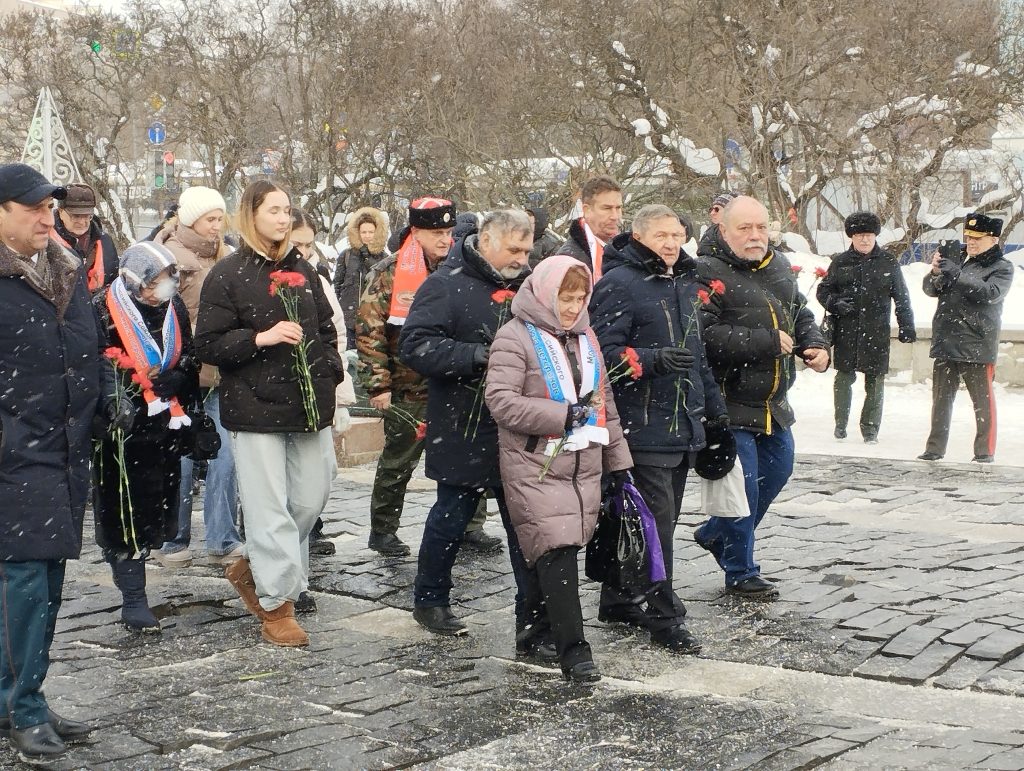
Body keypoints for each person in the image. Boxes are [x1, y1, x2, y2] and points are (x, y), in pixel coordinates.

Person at [195, 180, 344, 647]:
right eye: (274, 210)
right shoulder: (228, 273)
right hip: (254, 406)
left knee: (311, 497)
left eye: (287, 210)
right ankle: (277, 603)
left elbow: (325, 329)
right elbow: (208, 344)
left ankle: (253, 564)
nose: (283, 218)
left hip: (308, 403)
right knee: (267, 506)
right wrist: (260, 338)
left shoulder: (304, 269)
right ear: (251, 215)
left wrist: (329, 372)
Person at [486, 255, 632, 682]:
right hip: (535, 463)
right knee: (557, 550)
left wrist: (619, 463)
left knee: (550, 551)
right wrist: (561, 415)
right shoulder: (514, 337)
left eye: (579, 298)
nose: (572, 307)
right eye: (564, 298)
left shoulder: (587, 337)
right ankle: (576, 651)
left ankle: (534, 630)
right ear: (545, 293)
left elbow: (605, 403)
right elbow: (501, 401)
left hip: (583, 463)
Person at [589, 204, 726, 653]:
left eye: (676, 235)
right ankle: (664, 616)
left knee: (652, 520)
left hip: (681, 425)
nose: (671, 244)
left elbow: (698, 358)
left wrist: (715, 415)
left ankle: (618, 599)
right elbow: (600, 354)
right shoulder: (619, 284)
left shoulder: (685, 282)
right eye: (661, 236)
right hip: (642, 426)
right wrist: (650, 360)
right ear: (639, 237)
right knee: (656, 527)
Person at [399, 209, 537, 637]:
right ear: (487, 241)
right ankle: (430, 599)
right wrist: (474, 356)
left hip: (519, 425)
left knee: (526, 525)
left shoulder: (528, 286)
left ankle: (532, 613)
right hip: (464, 422)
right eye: (514, 250)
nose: (522, 259)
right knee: (451, 518)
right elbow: (415, 345)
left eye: (527, 250)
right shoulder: (444, 284)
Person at [0, 163, 98, 761]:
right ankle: (25, 707)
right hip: (15, 456)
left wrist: (105, 402)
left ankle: (17, 694)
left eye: (48, 207)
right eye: (32, 207)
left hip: (64, 450)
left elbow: (87, 349)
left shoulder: (65, 270)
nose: (46, 218)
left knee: (48, 580)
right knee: (26, 584)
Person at [694, 195, 830, 599]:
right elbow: (703, 335)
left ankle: (716, 534)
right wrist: (765, 341)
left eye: (761, 227)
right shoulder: (705, 271)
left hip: (773, 401)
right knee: (743, 489)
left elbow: (800, 313)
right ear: (723, 230)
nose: (755, 236)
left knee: (778, 471)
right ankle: (740, 570)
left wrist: (815, 344)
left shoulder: (779, 265)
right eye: (744, 228)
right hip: (729, 401)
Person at [358, 198, 502, 556]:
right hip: (409, 387)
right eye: (436, 232)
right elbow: (370, 332)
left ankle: (471, 525)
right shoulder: (389, 273)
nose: (445, 239)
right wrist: (378, 385)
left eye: (449, 232)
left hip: (456, 379)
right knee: (398, 461)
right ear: (416, 232)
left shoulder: (462, 268)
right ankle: (383, 530)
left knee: (468, 454)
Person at [93, 242, 200, 633]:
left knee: (156, 507)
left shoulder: (174, 308)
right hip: (122, 428)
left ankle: (140, 567)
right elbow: (94, 361)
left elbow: (189, 353)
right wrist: (117, 393)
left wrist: (179, 376)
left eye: (169, 278)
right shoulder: (102, 308)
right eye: (155, 280)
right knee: (123, 509)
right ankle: (133, 599)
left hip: (163, 424)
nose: (164, 288)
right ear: (135, 279)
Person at [153, 186, 244, 569]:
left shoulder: (227, 254)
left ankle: (223, 537)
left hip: (223, 370)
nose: (217, 225)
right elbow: (162, 315)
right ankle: (173, 538)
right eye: (210, 218)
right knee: (182, 456)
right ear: (191, 219)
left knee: (225, 454)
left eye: (220, 217)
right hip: (184, 372)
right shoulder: (169, 255)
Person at [918, 212, 1014, 463]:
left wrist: (958, 275)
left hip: (977, 342)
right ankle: (935, 448)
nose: (971, 242)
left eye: (977, 238)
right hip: (946, 339)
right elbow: (930, 290)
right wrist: (936, 272)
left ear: (993, 239)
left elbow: (990, 293)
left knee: (983, 403)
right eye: (969, 237)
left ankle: (984, 452)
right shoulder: (958, 260)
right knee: (940, 401)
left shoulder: (1002, 267)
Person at [291, 207, 357, 571]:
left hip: (318, 387)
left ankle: (309, 527)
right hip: (283, 393)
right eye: (297, 245)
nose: (304, 252)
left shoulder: (318, 276)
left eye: (309, 245)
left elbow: (337, 335)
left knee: (322, 475)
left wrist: (341, 399)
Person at [816, 211, 915, 444]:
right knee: (843, 379)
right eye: (860, 235)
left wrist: (906, 326)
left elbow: (901, 296)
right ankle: (840, 424)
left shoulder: (888, 262)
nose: (864, 239)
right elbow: (823, 290)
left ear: (875, 236)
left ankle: (870, 429)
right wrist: (834, 303)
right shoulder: (840, 262)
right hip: (847, 330)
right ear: (851, 237)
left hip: (876, 331)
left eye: (869, 235)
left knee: (875, 382)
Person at [333, 206, 388, 349]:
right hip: (348, 320)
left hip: (374, 322)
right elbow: (337, 284)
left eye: (371, 232)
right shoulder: (346, 256)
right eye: (364, 232)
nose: (367, 236)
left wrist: (368, 258)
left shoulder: (385, 258)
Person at [50, 181, 118, 293]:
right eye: (76, 216)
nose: (82, 222)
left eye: (87, 216)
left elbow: (114, 283)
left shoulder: (106, 242)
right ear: (61, 212)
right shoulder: (44, 241)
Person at [554, 176, 623, 279]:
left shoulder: (623, 249)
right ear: (587, 210)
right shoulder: (569, 261)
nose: (615, 216)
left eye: (618, 208)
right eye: (607, 208)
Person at [696, 191, 739, 258]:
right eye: (711, 209)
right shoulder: (710, 233)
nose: (712, 213)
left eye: (717, 209)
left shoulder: (744, 233)